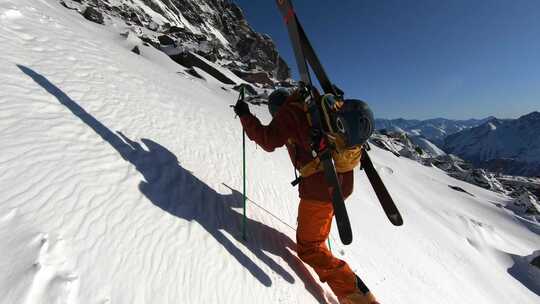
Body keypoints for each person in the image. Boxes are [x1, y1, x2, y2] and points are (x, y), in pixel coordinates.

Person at [234, 88, 379, 304]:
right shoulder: (313, 106)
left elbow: (267, 140)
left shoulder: (289, 114)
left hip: (320, 190)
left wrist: (245, 115)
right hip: (339, 183)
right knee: (314, 236)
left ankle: (359, 299)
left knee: (310, 248)